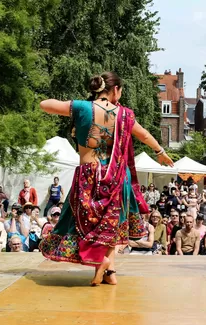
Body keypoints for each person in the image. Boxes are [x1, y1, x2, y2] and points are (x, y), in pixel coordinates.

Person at [39, 72, 173, 286]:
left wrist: (74, 106)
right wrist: (160, 152)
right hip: (118, 174)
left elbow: (45, 104)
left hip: (89, 173)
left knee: (84, 221)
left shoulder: (83, 107)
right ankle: (109, 270)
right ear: (116, 90)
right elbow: (144, 135)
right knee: (113, 222)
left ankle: (102, 263)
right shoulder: (125, 115)